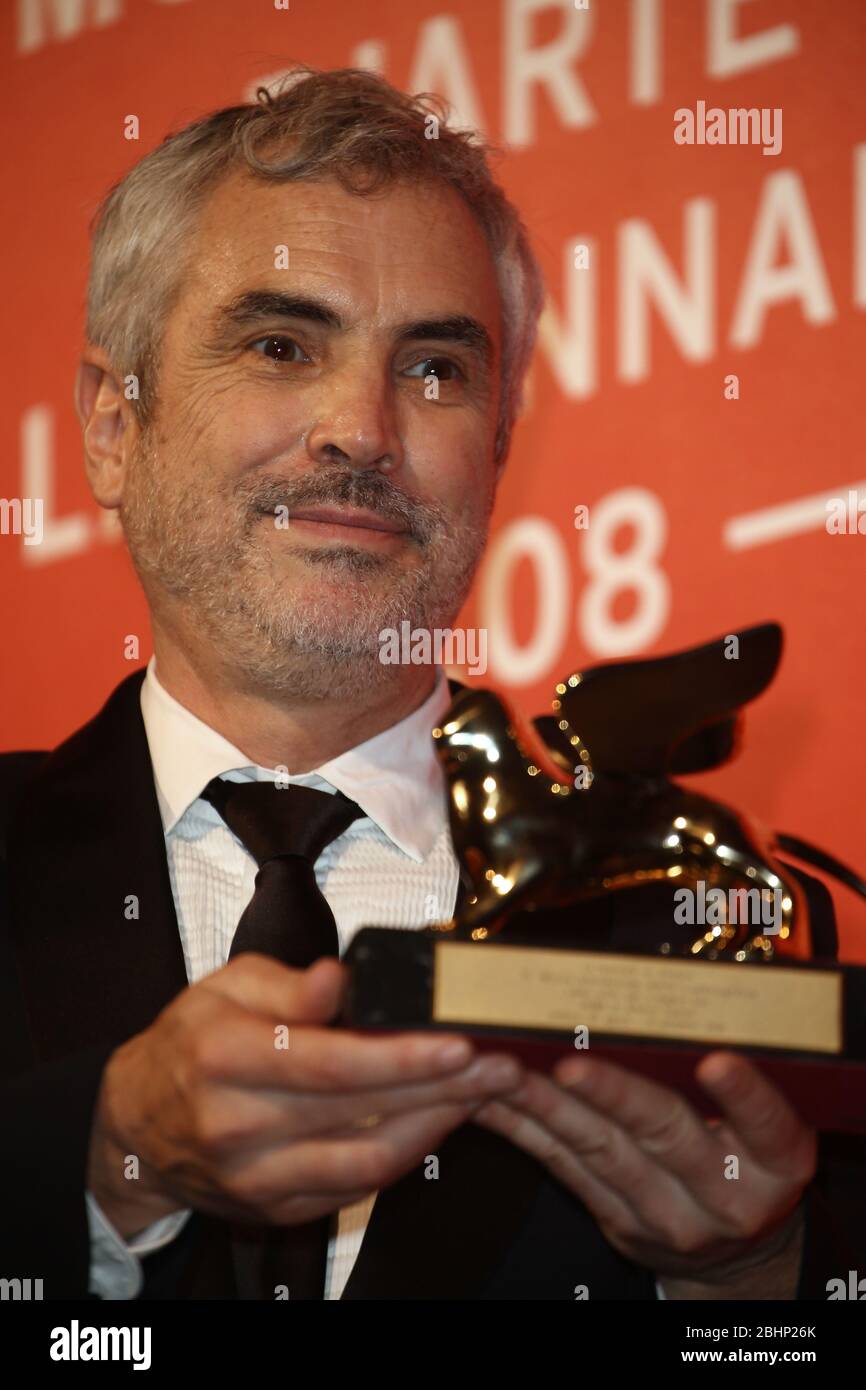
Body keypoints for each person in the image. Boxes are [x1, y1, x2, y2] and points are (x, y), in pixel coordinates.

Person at [1, 67, 861, 1301]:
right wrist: (97, 1161)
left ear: (499, 442)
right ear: (110, 426)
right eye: (282, 344)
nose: (361, 427)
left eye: (437, 370)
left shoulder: (724, 927)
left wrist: (749, 1277)